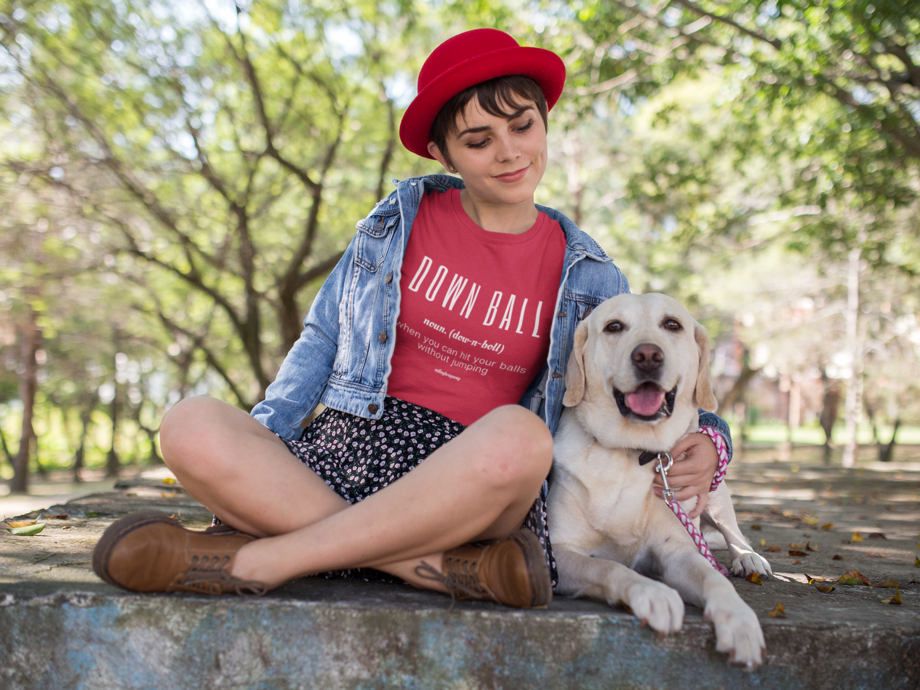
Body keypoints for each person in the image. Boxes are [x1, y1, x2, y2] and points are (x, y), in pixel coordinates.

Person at [92, 28, 733, 608]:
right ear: (442, 152)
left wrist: (712, 439)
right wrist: (265, 443)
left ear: (545, 123)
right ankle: (439, 568)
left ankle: (264, 557)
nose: (508, 153)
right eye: (478, 140)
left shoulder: (592, 277)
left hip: (472, 476)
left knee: (523, 438)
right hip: (348, 447)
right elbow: (321, 338)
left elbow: (655, 377)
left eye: (522, 127)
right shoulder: (396, 222)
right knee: (188, 423)